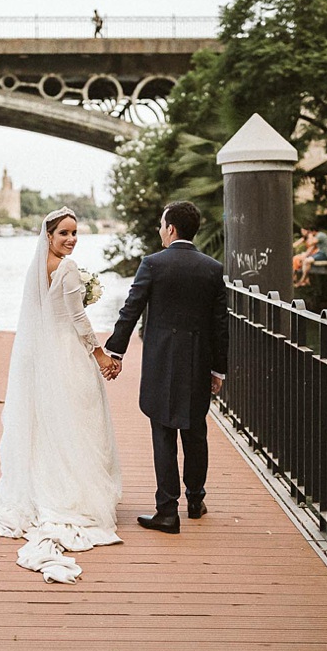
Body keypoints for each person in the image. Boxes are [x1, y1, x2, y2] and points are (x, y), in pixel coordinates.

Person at [0, 207, 123, 584]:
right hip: (66, 354)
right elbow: (78, 320)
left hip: (44, 354)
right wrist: (99, 354)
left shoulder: (41, 266)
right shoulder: (66, 269)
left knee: (52, 421)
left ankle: (42, 484)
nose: (71, 239)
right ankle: (72, 492)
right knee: (78, 421)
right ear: (48, 235)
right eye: (64, 233)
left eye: (75, 233)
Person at [105, 201, 228, 534]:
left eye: (162, 225)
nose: (161, 231)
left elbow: (130, 311)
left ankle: (167, 511)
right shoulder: (212, 269)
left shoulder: (153, 264)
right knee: (195, 432)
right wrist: (219, 370)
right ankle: (196, 500)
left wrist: (115, 351)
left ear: (171, 228)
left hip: (161, 362)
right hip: (198, 362)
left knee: (163, 432)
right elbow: (220, 325)